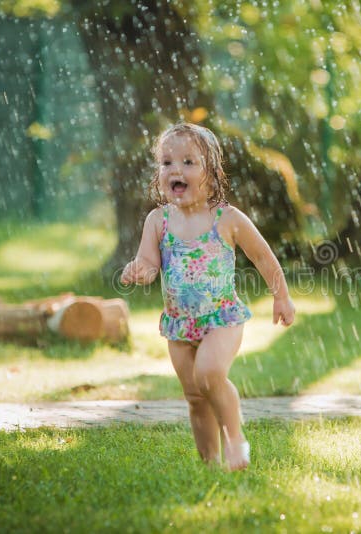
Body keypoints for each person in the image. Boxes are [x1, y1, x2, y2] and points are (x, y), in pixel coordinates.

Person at [121, 122, 296, 471]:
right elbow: (150, 261)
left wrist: (281, 297)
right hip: (178, 325)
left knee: (210, 374)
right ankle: (209, 465)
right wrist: (139, 269)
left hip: (221, 318)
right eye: (167, 162)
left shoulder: (227, 219)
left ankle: (235, 442)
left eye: (188, 162)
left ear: (212, 175)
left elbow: (262, 256)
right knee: (195, 396)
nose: (176, 170)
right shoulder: (158, 221)